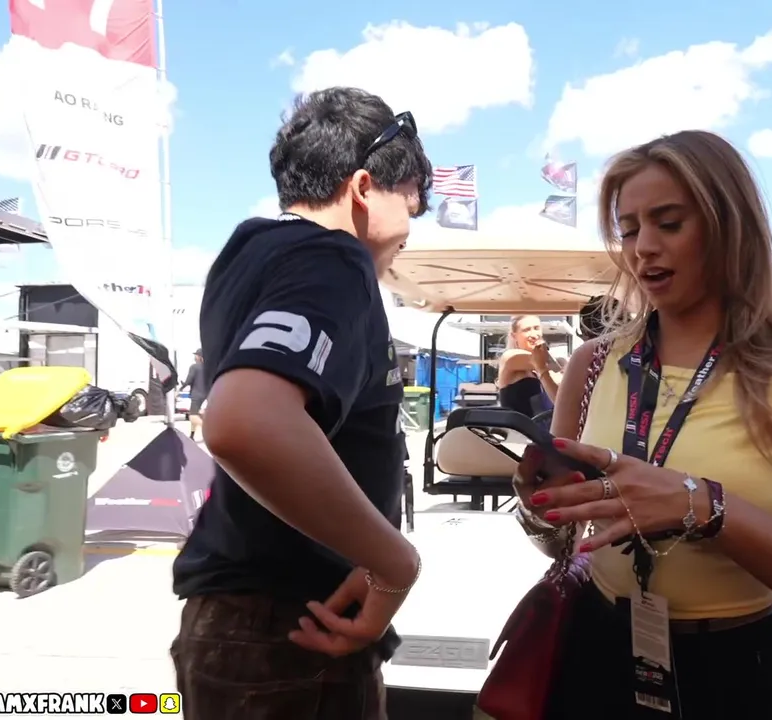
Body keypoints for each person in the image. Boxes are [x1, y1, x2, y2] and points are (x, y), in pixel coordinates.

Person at [513, 130, 772, 717]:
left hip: (747, 672)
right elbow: (565, 543)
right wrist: (542, 507)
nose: (643, 248)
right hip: (597, 652)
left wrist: (705, 507)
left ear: (729, 225)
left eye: (669, 223)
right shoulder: (593, 364)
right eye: (629, 229)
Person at [169, 87, 431, 719]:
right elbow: (244, 422)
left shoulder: (248, 253)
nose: (412, 223)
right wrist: (394, 561)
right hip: (291, 632)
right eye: (411, 202)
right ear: (364, 188)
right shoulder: (332, 258)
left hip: (243, 624)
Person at [496, 315, 560, 416]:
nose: (534, 335)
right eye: (526, 330)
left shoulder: (538, 367)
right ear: (514, 336)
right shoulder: (511, 357)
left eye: (536, 328)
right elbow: (550, 365)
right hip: (519, 425)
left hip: (540, 423)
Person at [179, 350, 209, 440]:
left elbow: (189, 380)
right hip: (206, 394)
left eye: (196, 355)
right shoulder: (208, 367)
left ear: (200, 357)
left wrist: (180, 388)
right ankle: (192, 435)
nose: (194, 357)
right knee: (196, 414)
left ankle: (209, 430)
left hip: (197, 394)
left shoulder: (194, 367)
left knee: (192, 416)